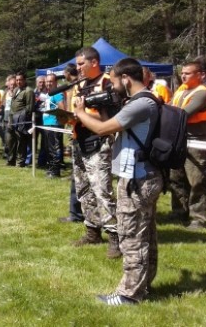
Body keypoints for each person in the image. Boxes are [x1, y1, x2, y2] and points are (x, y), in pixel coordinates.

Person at [74, 57, 161, 306]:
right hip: (144, 175)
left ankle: (128, 294)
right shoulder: (145, 101)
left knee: (131, 236)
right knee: (145, 235)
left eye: (113, 83)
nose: (112, 88)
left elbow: (104, 130)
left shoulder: (140, 104)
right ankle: (143, 286)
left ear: (125, 78)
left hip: (137, 178)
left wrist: (80, 113)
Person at [70, 46, 119, 258]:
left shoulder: (107, 83)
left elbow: (113, 119)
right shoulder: (79, 85)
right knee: (83, 189)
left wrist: (83, 116)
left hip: (99, 142)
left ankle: (115, 237)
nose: (78, 68)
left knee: (102, 190)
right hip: (78, 141)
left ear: (94, 62)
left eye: (81, 64)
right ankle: (92, 231)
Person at [168, 61, 206, 229]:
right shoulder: (181, 91)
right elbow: (171, 109)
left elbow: (182, 114)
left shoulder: (203, 93)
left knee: (197, 180)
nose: (183, 76)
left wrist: (167, 112)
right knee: (175, 178)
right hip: (178, 139)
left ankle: (198, 218)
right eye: (183, 73)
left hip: (196, 141)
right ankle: (178, 212)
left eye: (188, 73)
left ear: (201, 75)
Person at [58, 63, 85, 223]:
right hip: (76, 135)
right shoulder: (71, 88)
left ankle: (82, 215)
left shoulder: (82, 87)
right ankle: (75, 214)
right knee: (77, 178)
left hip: (89, 138)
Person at [6, 71, 34, 167]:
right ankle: (10, 160)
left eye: (20, 80)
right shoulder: (16, 89)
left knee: (21, 142)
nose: (18, 82)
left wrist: (20, 116)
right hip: (11, 119)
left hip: (21, 120)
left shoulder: (28, 91)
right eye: (17, 80)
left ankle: (20, 162)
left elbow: (29, 108)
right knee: (10, 140)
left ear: (25, 80)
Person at [42, 73, 66, 178]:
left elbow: (62, 108)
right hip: (47, 124)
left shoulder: (57, 94)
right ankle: (50, 168)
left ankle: (56, 171)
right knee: (48, 148)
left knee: (54, 148)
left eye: (51, 81)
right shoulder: (48, 94)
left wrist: (59, 119)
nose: (48, 83)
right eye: (47, 81)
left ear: (56, 82)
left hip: (54, 124)